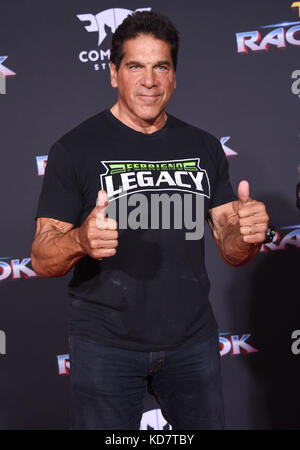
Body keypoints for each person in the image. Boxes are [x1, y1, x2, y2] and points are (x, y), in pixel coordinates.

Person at [31, 11, 269, 430]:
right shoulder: (75, 148)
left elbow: (231, 248)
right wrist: (81, 241)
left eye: (161, 66)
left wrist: (247, 234)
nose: (150, 80)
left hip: (191, 343)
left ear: (174, 76)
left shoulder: (203, 146)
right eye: (135, 66)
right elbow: (41, 258)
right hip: (105, 345)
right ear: (113, 74)